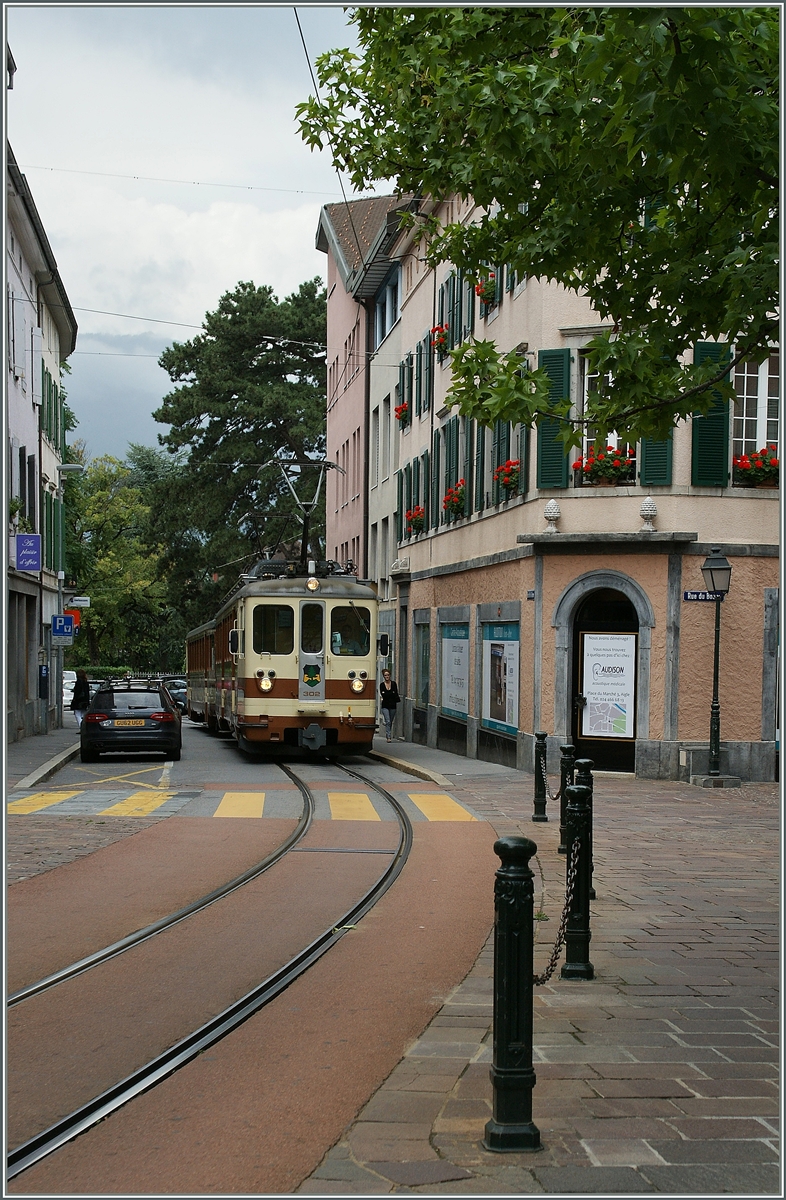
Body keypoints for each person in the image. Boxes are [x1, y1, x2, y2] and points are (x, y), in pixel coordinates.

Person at [379, 669, 400, 742]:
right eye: (385, 675)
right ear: (383, 676)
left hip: (393, 706)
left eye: (388, 675)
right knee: (388, 721)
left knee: (390, 721)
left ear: (390, 675)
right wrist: (391, 694)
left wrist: (388, 694)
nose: (387, 676)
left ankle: (388, 733)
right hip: (385, 706)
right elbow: (383, 694)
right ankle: (388, 736)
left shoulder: (394, 684)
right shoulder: (382, 685)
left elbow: (395, 693)